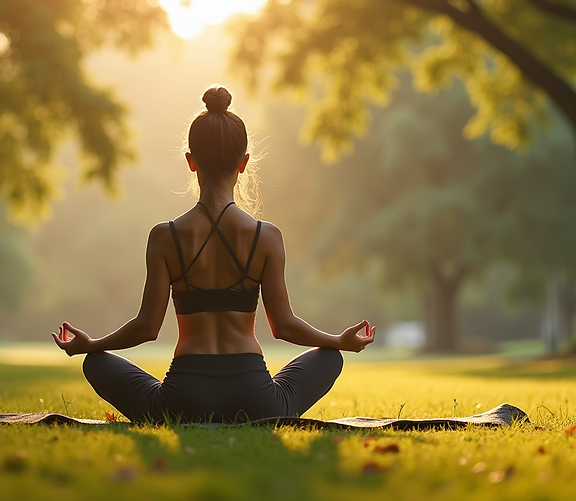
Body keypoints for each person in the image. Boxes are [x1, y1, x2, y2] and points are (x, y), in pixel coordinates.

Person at [52, 86, 375, 424]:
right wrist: (339, 340)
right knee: (330, 357)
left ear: (191, 161)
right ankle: (274, 408)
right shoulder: (266, 236)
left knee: (96, 362)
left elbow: (146, 328)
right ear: (244, 164)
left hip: (182, 398)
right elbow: (284, 326)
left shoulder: (165, 236)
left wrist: (92, 345)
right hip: (256, 398)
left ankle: (160, 406)